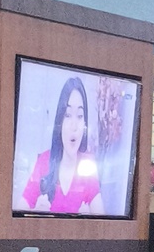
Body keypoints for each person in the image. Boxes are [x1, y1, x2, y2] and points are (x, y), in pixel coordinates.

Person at [23, 76, 100, 214]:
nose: (74, 126)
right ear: (60, 120)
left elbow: (105, 225)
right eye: (68, 115)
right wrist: (35, 213)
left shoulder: (87, 166)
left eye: (80, 116)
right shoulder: (44, 162)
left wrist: (89, 221)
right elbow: (17, 212)